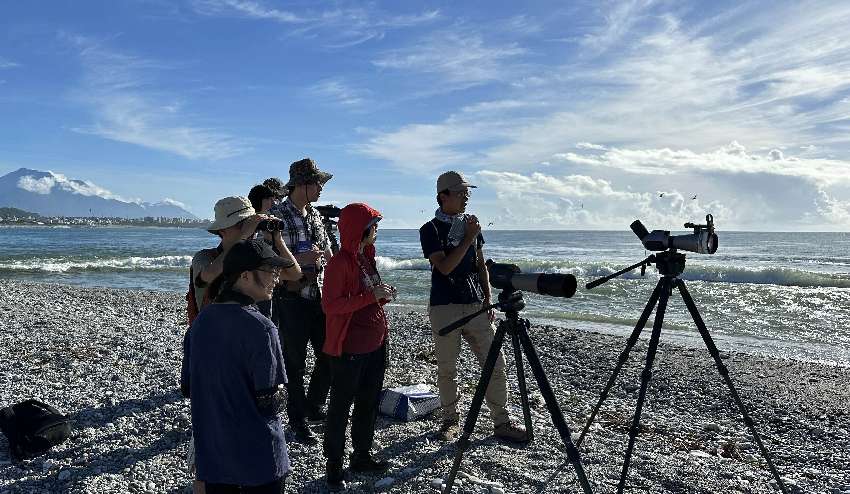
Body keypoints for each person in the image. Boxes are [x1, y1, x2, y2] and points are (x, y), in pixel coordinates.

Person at [181, 238, 301, 494]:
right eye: (270, 271)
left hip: (214, 457)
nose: (276, 279)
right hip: (258, 458)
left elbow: (188, 387)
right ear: (245, 276)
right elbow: (270, 400)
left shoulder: (200, 322)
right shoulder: (261, 327)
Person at [418, 171, 528, 443]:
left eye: (467, 192)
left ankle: (501, 421)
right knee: (447, 368)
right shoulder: (430, 229)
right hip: (445, 306)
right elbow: (444, 267)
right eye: (460, 192)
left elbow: (481, 266)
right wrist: (468, 237)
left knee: (495, 363)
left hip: (476, 305)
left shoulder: (471, 226)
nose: (466, 196)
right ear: (443, 196)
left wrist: (488, 298)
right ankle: (450, 420)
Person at [321, 203, 395, 491]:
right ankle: (334, 466)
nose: (376, 231)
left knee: (368, 403)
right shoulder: (339, 263)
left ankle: (361, 455)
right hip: (349, 348)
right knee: (340, 408)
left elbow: (366, 295)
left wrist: (381, 295)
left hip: (375, 344)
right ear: (360, 230)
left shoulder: (366, 257)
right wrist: (370, 296)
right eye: (373, 225)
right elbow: (331, 306)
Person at [268, 157, 334, 443]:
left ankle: (312, 405)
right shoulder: (277, 217)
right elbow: (268, 262)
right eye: (318, 183)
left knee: (330, 355)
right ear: (303, 185)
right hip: (291, 298)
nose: (321, 189)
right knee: (294, 364)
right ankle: (298, 420)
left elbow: (329, 251)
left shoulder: (316, 216)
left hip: (319, 297)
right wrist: (298, 261)